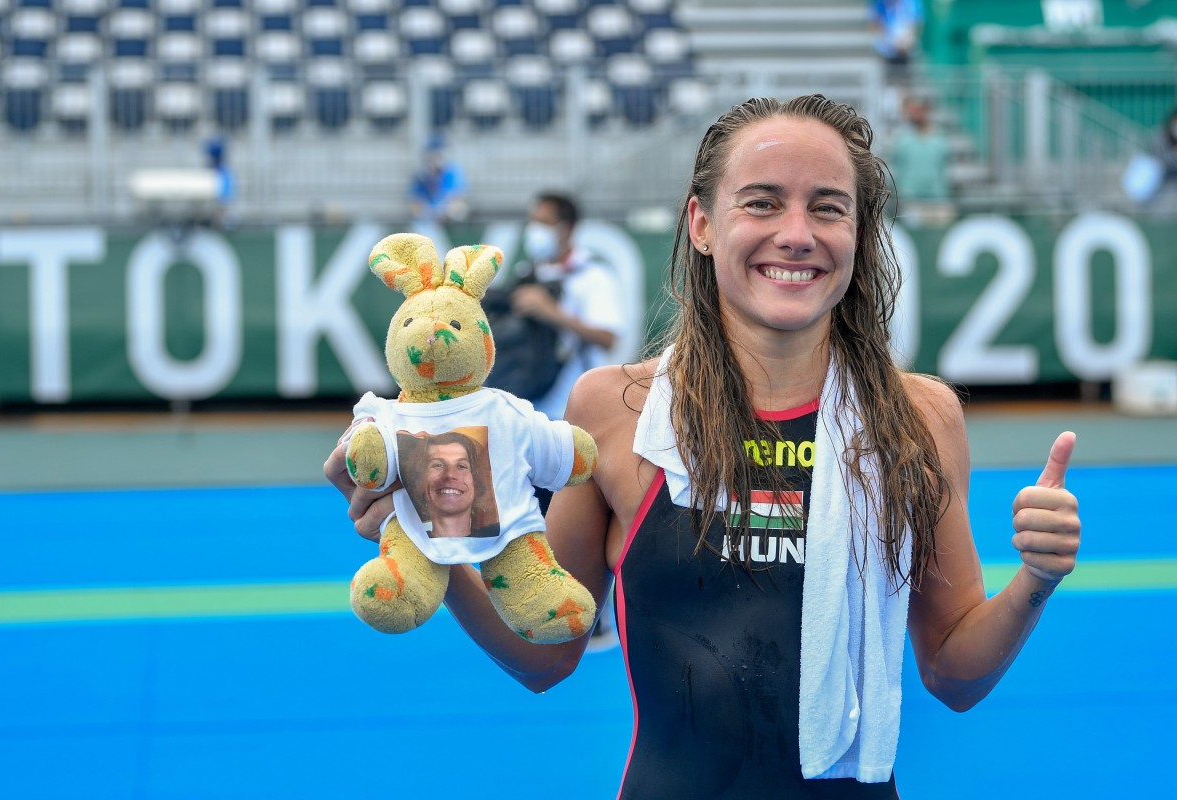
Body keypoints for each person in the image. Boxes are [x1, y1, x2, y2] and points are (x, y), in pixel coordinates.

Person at [326, 95, 1082, 797]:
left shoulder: (919, 418)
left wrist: (1035, 581)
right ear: (701, 223)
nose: (797, 233)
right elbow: (546, 652)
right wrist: (434, 536)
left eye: (828, 207)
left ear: (859, 233)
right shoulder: (613, 412)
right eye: (762, 202)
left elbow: (953, 670)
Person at [504, 192, 626, 421]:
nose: (534, 230)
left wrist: (551, 312)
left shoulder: (593, 275)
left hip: (573, 408)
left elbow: (608, 338)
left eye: (543, 222)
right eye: (532, 221)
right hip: (529, 407)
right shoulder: (527, 273)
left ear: (565, 228)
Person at [406, 431, 499, 539]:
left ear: (475, 481)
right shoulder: (406, 542)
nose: (450, 474)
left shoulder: (505, 538)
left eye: (461, 466)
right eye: (438, 465)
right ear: (420, 480)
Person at [888, 95, 954, 226]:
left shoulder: (940, 138)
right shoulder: (901, 139)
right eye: (912, 111)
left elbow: (945, 169)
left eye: (918, 110)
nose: (915, 114)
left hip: (937, 200)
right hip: (910, 201)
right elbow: (895, 169)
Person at [407, 132, 469, 227]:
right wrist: (427, 214)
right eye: (432, 154)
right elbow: (415, 203)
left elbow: (459, 201)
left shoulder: (452, 172)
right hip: (427, 221)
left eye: (438, 155)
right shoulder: (421, 176)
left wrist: (445, 213)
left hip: (450, 221)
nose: (435, 159)